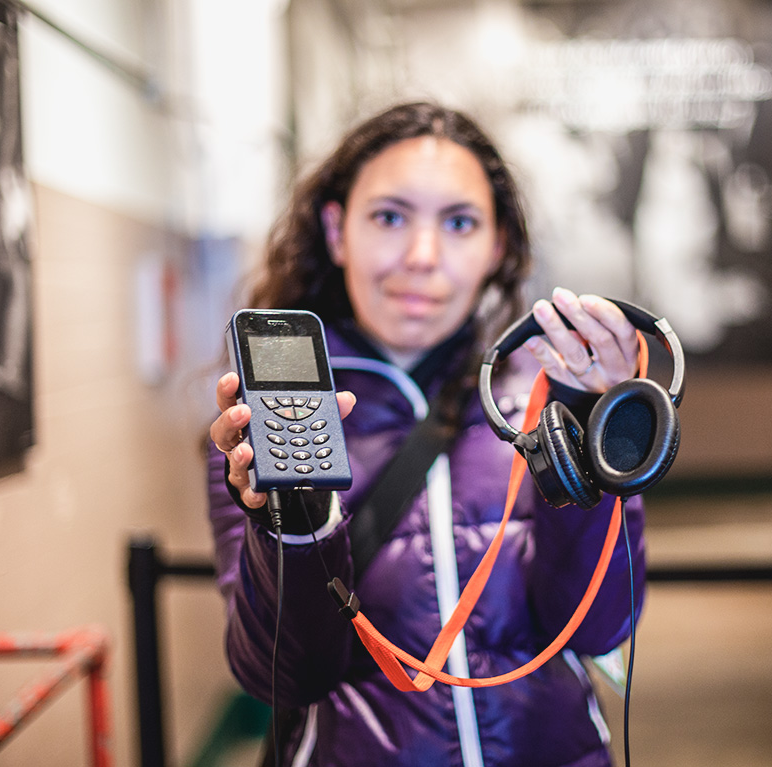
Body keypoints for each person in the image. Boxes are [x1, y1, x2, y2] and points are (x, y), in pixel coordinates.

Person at [207, 101, 648, 767]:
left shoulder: (547, 395)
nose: (422, 256)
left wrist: (594, 448)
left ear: (497, 245)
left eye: (460, 222)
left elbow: (598, 623)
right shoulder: (262, 422)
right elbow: (287, 675)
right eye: (389, 217)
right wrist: (292, 522)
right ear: (336, 230)